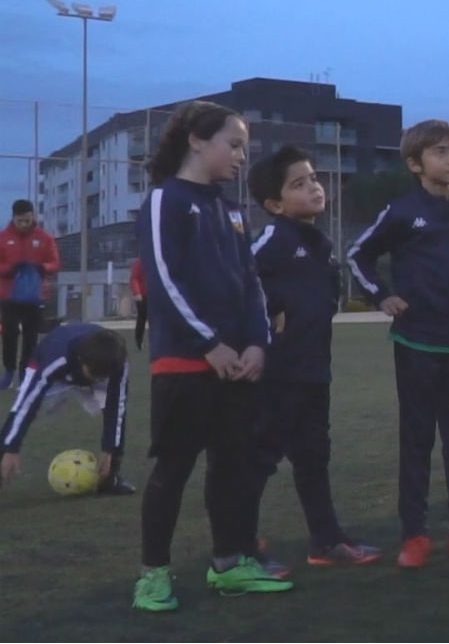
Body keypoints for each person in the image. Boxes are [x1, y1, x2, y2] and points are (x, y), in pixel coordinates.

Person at [133, 100, 292, 613]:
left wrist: (256, 344)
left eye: (244, 147)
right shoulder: (166, 199)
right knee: (173, 470)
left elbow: (250, 286)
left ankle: (230, 564)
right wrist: (209, 344)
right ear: (197, 142)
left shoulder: (229, 208)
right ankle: (152, 575)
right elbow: (164, 281)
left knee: (234, 468)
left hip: (238, 365)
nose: (241, 156)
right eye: (235, 144)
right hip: (185, 364)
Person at [348, 119, 449, 567]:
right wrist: (381, 295)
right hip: (417, 342)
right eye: (440, 152)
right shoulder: (401, 211)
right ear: (416, 164)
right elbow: (358, 254)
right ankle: (414, 536)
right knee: (417, 441)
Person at [244, 146, 381, 571]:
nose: (314, 188)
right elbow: (239, 280)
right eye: (299, 184)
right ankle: (240, 546)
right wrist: (270, 309)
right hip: (276, 375)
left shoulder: (319, 243)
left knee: (313, 456)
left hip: (313, 371)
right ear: (275, 204)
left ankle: (326, 541)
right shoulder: (273, 240)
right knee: (259, 460)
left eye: (314, 179)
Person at [0, 323, 133, 494]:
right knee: (22, 410)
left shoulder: (118, 362)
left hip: (85, 366)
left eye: (102, 376)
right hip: (55, 371)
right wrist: (12, 448)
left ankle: (109, 479)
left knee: (114, 410)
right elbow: (26, 404)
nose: (97, 379)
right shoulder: (56, 356)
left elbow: (117, 407)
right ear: (82, 360)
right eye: (94, 375)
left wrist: (110, 451)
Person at [0, 199, 61, 389]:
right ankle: (9, 371)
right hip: (9, 295)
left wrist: (41, 267)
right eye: (21, 221)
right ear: (14, 218)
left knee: (31, 336)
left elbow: (55, 263)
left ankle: (25, 372)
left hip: (34, 296)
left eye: (28, 220)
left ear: (33, 216)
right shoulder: (3, 238)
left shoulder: (44, 238)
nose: (25, 224)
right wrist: (10, 269)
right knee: (9, 334)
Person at [130, 258, 148, 350]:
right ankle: (139, 340)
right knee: (142, 317)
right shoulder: (139, 263)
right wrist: (137, 293)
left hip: (154, 294)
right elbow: (134, 279)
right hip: (142, 295)